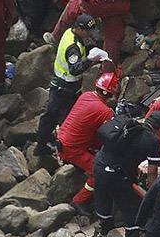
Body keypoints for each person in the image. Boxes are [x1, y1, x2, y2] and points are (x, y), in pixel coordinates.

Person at [36, 14, 110, 156]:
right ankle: (56, 147)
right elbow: (75, 69)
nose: (89, 35)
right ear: (79, 28)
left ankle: (49, 142)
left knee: (53, 115)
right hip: (64, 87)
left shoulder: (69, 32)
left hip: (65, 85)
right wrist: (90, 59)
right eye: (88, 32)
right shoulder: (72, 47)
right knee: (62, 117)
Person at [94, 111, 160, 237]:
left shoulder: (128, 124)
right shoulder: (152, 140)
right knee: (131, 205)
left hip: (99, 164)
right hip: (116, 173)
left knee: (102, 197)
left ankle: (104, 229)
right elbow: (152, 172)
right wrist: (153, 195)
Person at [56, 71, 121, 212]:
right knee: (100, 172)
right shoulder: (105, 112)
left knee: (96, 148)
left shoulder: (86, 96)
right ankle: (79, 201)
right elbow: (110, 136)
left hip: (63, 138)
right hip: (72, 148)